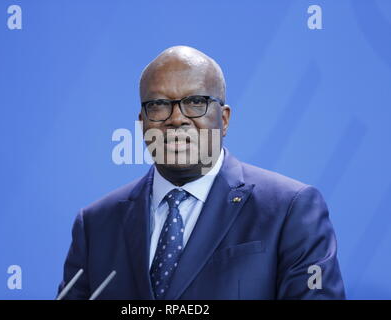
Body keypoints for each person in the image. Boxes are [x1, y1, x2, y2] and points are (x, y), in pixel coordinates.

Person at [58, 45, 345, 299]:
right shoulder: (96, 224)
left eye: (196, 102)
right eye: (158, 106)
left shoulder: (290, 209)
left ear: (224, 119)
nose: (177, 119)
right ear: (142, 122)